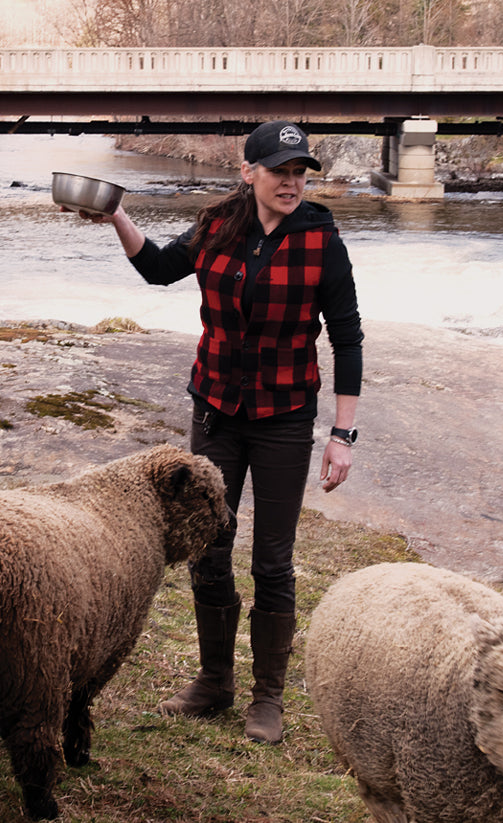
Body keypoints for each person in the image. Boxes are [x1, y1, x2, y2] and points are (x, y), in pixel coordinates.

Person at [75, 120, 362, 745]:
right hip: (215, 411)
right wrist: (119, 216)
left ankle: (267, 699)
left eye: (299, 172)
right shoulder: (215, 226)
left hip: (285, 417)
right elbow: (157, 269)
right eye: (279, 171)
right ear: (249, 173)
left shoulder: (321, 239)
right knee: (209, 546)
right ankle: (213, 682)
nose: (291, 182)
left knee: (273, 561)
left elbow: (346, 336)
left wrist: (344, 433)